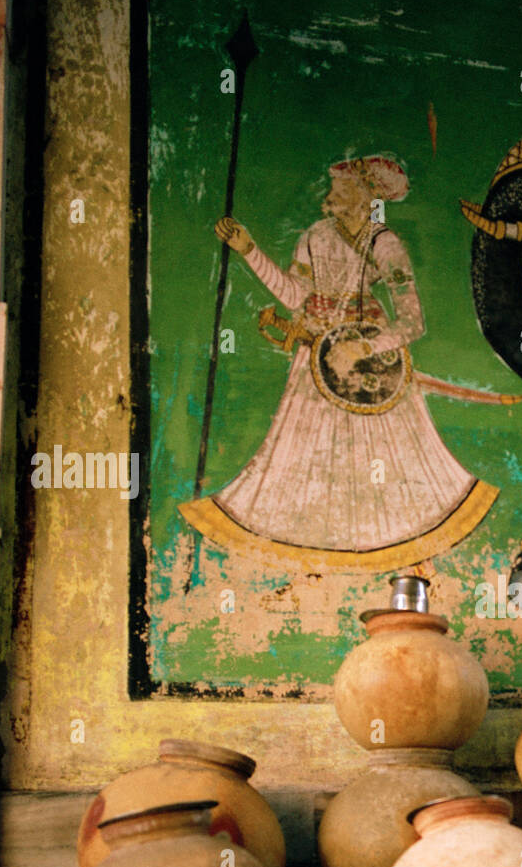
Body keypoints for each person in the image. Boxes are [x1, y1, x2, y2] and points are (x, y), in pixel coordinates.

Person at [180, 154, 497, 573]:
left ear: (366, 195)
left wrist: (363, 350)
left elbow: (412, 322)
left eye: (343, 187)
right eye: (334, 185)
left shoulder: (387, 245)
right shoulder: (314, 236)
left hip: (370, 368)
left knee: (386, 465)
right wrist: (249, 250)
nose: (332, 194)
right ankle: (307, 575)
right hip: (316, 360)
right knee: (304, 462)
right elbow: (296, 297)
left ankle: (407, 565)